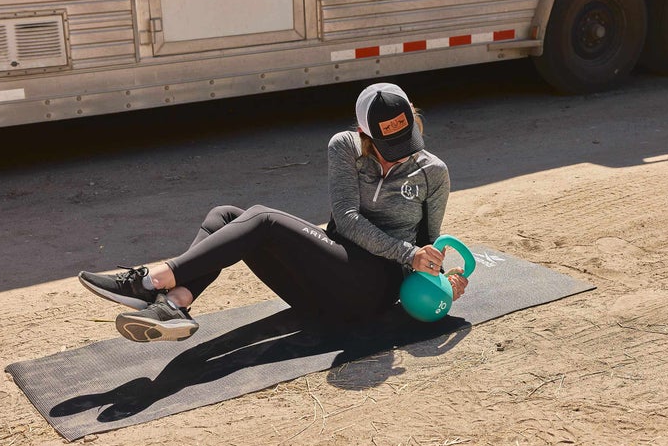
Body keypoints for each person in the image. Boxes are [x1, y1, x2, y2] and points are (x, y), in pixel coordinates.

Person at [78, 83, 468, 343]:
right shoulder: (344, 148)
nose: (399, 150)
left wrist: (443, 282)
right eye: (387, 142)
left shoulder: (433, 171)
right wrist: (410, 253)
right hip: (325, 282)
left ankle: (151, 281)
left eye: (405, 139)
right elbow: (346, 219)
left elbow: (429, 244)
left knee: (262, 218)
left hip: (371, 291)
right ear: (365, 134)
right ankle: (176, 303)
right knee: (226, 215)